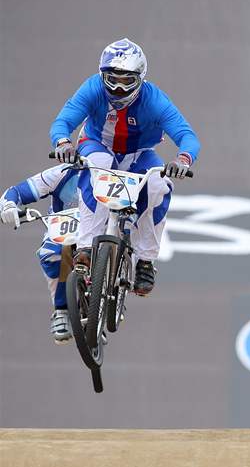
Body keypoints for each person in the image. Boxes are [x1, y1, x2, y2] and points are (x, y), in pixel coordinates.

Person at [49, 38, 200, 296]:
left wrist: (182, 160)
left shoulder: (155, 100)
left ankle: (145, 261)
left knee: (159, 185)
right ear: (101, 75)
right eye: (112, 79)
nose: (118, 88)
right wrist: (63, 143)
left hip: (139, 154)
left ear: (141, 78)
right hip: (97, 144)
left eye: (127, 81)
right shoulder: (92, 88)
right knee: (98, 165)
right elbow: (63, 122)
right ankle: (85, 248)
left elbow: (187, 136)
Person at [0, 165, 81, 343]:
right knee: (52, 254)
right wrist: (8, 205)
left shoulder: (117, 167)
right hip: (66, 230)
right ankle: (61, 310)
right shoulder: (61, 173)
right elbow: (17, 191)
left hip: (103, 231)